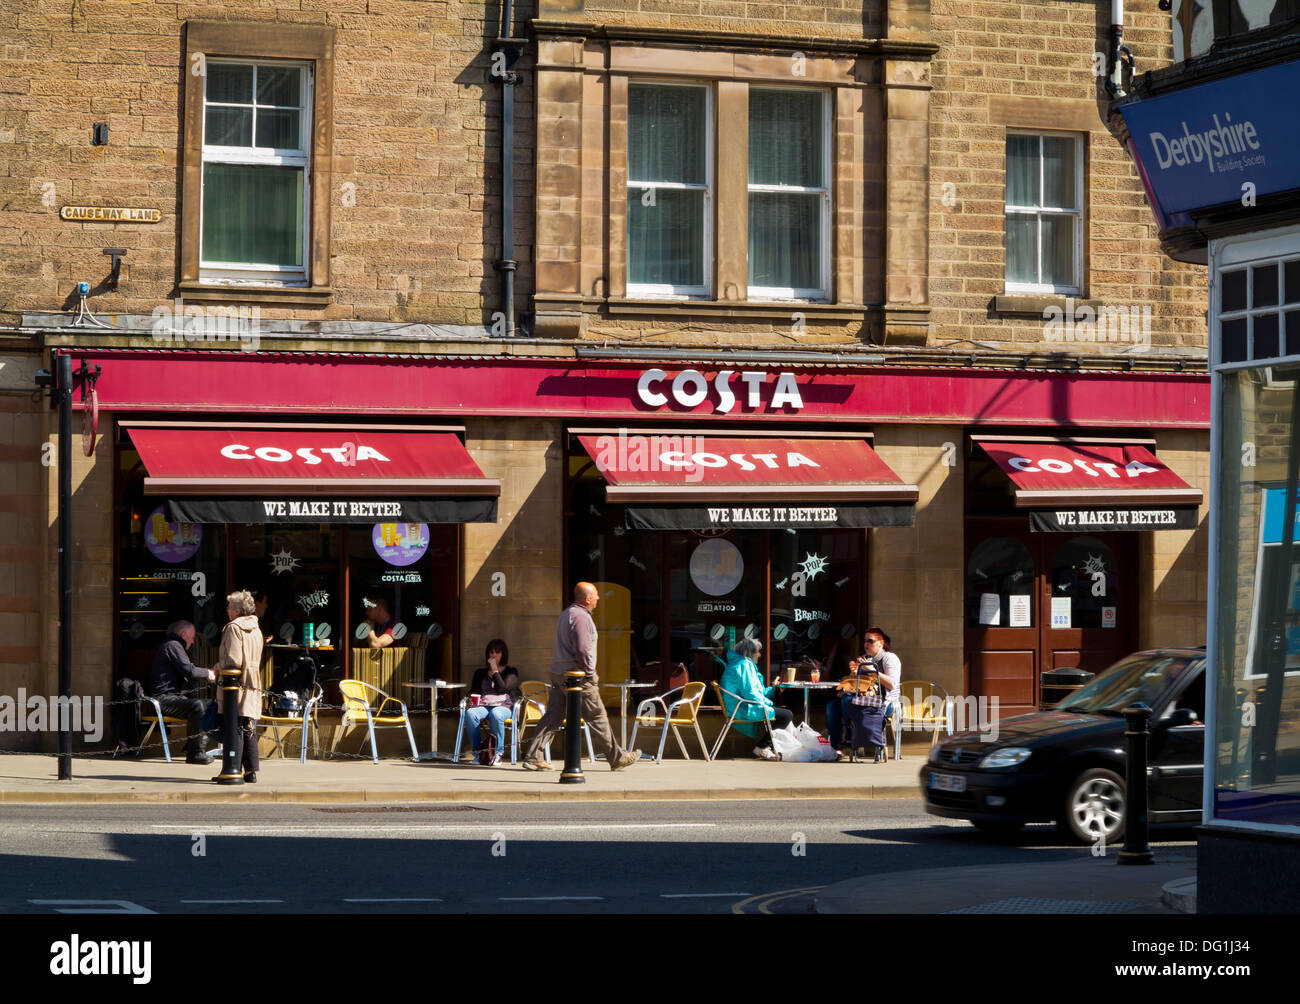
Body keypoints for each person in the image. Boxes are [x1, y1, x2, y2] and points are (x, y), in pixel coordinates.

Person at [520, 583, 640, 771]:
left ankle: (534, 756)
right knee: (597, 716)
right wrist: (590, 673)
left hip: (560, 673)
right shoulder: (581, 617)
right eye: (596, 596)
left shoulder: (566, 614)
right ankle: (617, 758)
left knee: (553, 716)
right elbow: (582, 649)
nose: (598, 599)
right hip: (577, 677)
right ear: (587, 598)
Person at [148, 620, 217, 764]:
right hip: (164, 699)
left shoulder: (174, 646)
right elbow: (189, 670)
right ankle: (195, 753)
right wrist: (209, 673)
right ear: (184, 634)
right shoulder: (173, 645)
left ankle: (193, 746)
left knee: (214, 705)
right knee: (198, 705)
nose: (192, 642)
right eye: (192, 638)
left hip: (175, 698)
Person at [827, 627, 901, 759]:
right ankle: (836, 748)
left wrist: (871, 670)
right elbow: (859, 686)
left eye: (870, 641)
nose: (866, 644)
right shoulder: (865, 659)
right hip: (863, 699)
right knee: (832, 706)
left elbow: (892, 684)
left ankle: (850, 738)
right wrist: (854, 673)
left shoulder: (889, 658)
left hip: (885, 702)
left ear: (881, 643)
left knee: (846, 700)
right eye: (865, 641)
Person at [214, 590, 265, 782]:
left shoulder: (233, 628)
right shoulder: (256, 628)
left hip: (236, 681)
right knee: (247, 724)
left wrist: (219, 666)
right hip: (253, 678)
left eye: (229, 607)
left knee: (234, 723)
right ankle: (250, 772)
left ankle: (232, 769)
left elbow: (233, 659)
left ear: (237, 610)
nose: (227, 610)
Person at [720, 638, 793, 760]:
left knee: (783, 713)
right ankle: (762, 747)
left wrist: (772, 688)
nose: (759, 654)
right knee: (787, 715)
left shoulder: (738, 663)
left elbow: (755, 692)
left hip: (739, 706)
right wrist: (768, 703)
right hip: (742, 708)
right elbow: (750, 693)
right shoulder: (744, 665)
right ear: (749, 653)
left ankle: (769, 747)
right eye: (757, 652)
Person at [463, 638, 519, 765]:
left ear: (503, 654)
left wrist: (495, 670)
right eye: (491, 652)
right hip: (484, 705)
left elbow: (502, 688)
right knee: (471, 714)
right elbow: (474, 691)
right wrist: (472, 699)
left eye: (497, 652)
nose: (493, 655)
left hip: (503, 706)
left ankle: (497, 753)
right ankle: (478, 753)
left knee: (496, 714)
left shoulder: (511, 672)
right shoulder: (480, 673)